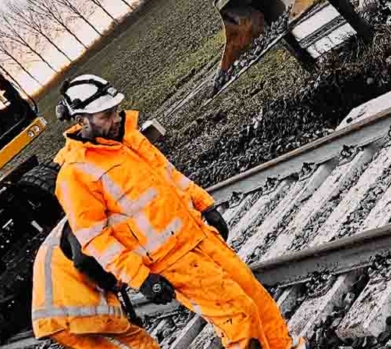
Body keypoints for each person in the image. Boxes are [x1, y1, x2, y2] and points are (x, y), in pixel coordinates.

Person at [49, 74, 300, 349]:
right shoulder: (75, 174)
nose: (116, 118)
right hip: (170, 261)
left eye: (116, 111)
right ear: (82, 120)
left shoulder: (130, 140)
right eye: (106, 115)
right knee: (238, 315)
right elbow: (96, 239)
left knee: (256, 297)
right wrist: (140, 277)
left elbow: (170, 176)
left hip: (198, 234)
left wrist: (206, 204)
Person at [31, 218, 158, 349]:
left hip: (53, 322)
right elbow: (83, 261)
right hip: (81, 313)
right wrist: (112, 281)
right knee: (138, 340)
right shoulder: (79, 223)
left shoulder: (59, 236)